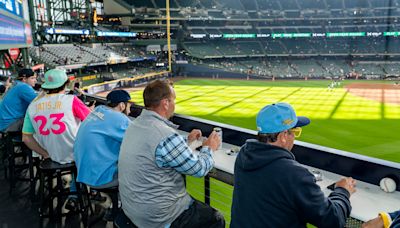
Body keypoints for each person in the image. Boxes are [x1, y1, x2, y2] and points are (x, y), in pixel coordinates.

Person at [230, 102, 356, 228]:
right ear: (284, 136)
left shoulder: (244, 154)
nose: (295, 138)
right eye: (294, 132)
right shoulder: (294, 174)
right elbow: (333, 220)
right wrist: (342, 191)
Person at [119, 79, 225, 228]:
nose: (174, 105)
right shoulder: (164, 134)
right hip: (158, 216)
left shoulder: (136, 124)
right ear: (165, 103)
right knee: (216, 219)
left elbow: (157, 148)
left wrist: (186, 140)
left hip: (134, 208)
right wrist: (209, 148)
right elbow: (199, 169)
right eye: (173, 100)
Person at [22, 69, 90, 164]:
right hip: (76, 155)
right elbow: (92, 122)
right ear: (66, 84)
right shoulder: (72, 100)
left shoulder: (32, 105)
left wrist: (45, 154)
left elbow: (26, 138)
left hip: (50, 156)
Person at [74, 89, 132, 189]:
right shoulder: (119, 118)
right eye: (129, 106)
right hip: (99, 179)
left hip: (83, 173)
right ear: (122, 105)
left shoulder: (97, 110)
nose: (130, 110)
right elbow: (138, 141)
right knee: (142, 169)